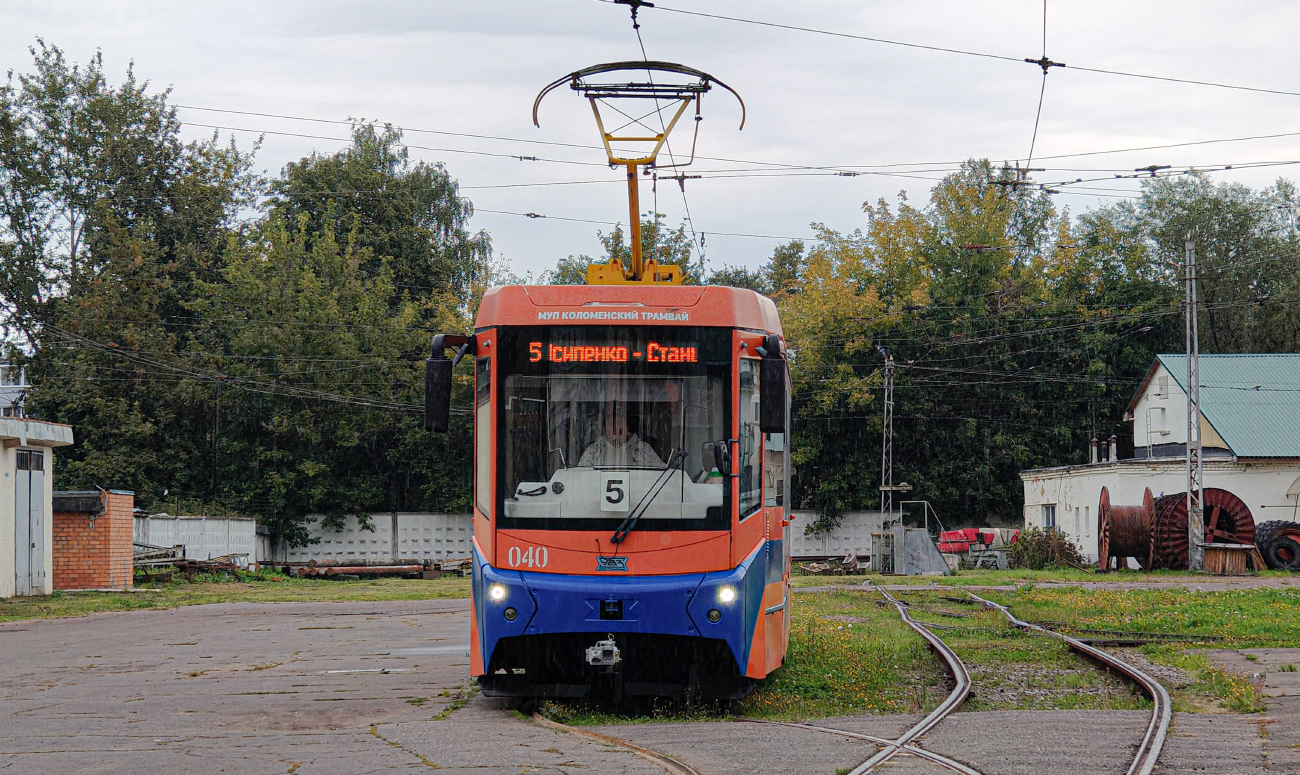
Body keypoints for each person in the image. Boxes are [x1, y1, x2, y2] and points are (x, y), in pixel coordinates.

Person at [579, 403, 665, 467]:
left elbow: (662, 476)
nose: (615, 427)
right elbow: (581, 479)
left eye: (619, 422)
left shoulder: (643, 449)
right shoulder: (593, 451)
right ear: (605, 427)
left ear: (627, 427)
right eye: (611, 422)